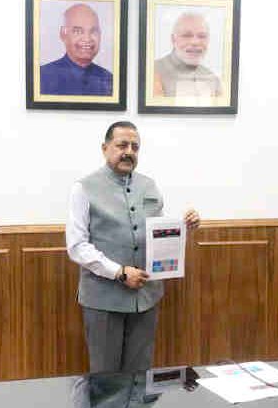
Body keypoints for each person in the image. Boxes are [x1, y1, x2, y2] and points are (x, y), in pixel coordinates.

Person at [66, 121, 200, 373]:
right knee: (106, 378)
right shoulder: (83, 188)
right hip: (103, 299)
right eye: (122, 145)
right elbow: (77, 245)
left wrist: (185, 225)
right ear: (105, 148)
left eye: (135, 147)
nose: (129, 151)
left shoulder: (149, 185)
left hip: (145, 298)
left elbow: (157, 231)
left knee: (139, 375)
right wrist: (119, 272)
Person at [40, 3, 113, 96]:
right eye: (78, 31)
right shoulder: (42, 77)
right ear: (63, 34)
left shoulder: (109, 80)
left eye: (93, 31)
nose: (87, 39)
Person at [153, 12, 222, 98]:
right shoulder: (153, 72)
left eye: (202, 36)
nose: (195, 42)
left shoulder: (213, 80)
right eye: (186, 35)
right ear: (173, 40)